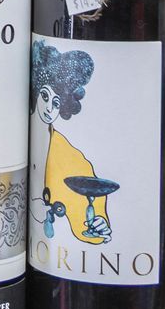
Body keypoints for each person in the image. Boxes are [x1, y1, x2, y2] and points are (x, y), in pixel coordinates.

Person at [31, 40, 113, 245]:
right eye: (44, 96)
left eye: (56, 102)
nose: (50, 107)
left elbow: (88, 212)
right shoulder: (12, 132)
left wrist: (99, 224)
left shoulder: (72, 158)